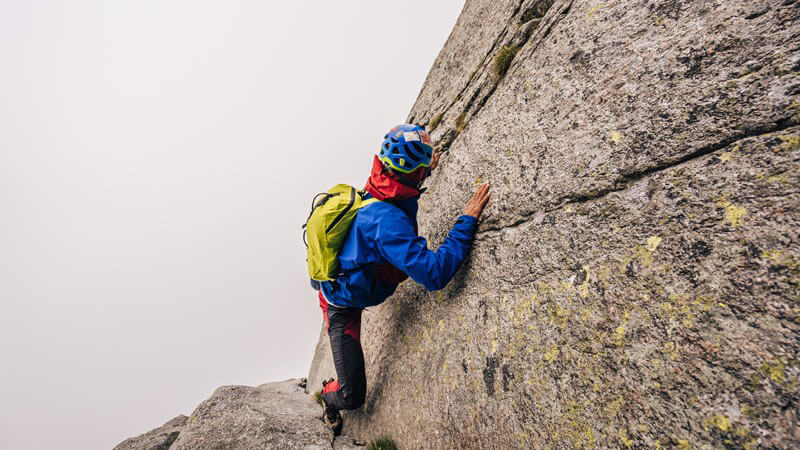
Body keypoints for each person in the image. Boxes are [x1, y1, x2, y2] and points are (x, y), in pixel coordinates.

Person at [314, 124, 491, 433]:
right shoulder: (385, 223)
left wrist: (423, 170)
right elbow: (435, 274)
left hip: (357, 281)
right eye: (423, 164)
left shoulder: (383, 181)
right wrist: (466, 221)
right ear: (412, 172)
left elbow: (400, 196)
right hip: (340, 305)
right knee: (352, 396)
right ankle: (329, 396)